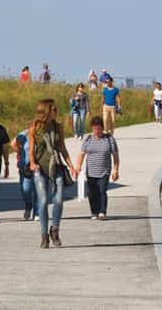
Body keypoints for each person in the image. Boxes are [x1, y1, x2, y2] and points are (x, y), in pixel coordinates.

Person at [28, 99, 76, 248]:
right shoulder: (34, 128)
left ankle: (54, 230)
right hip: (40, 169)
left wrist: (71, 165)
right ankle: (44, 235)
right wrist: (32, 163)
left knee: (59, 200)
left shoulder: (58, 127)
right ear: (46, 111)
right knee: (42, 202)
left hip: (56, 167)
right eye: (53, 108)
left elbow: (62, 148)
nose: (56, 110)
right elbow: (31, 150)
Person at [74, 116, 119, 220]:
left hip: (104, 171)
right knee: (91, 193)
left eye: (98, 129)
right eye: (94, 129)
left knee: (102, 191)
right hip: (91, 172)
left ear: (102, 128)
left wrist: (115, 170)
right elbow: (81, 154)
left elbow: (115, 156)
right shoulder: (88, 139)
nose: (96, 131)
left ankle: (102, 212)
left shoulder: (109, 139)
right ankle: (94, 211)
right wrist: (78, 167)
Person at [11, 129, 37, 221]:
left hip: (38, 166)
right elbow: (13, 144)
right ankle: (28, 205)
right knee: (25, 189)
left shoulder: (41, 134)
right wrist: (19, 152)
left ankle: (36, 212)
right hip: (25, 166)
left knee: (38, 190)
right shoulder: (23, 134)